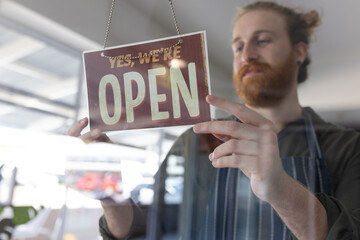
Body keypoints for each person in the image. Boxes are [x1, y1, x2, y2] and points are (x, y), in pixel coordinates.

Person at [68, 1, 360, 239]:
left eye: (262, 40)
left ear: (299, 51)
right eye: (238, 46)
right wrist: (107, 191)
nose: (247, 54)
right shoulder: (196, 140)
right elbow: (145, 230)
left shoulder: (349, 147)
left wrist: (279, 188)